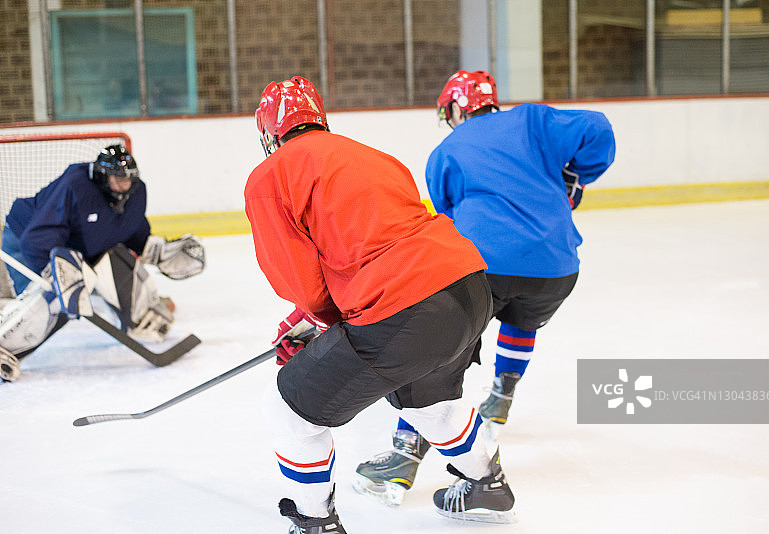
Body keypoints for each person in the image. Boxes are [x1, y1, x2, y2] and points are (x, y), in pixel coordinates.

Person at [246, 75, 516, 533]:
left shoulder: (271, 176)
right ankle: (485, 483)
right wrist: (313, 321)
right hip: (468, 286)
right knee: (427, 400)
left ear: (271, 132)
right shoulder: (373, 155)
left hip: (405, 307)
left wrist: (317, 321)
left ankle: (315, 524)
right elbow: (379, 245)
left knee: (288, 410)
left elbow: (302, 282)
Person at [354, 69, 616, 505]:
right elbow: (598, 128)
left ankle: (404, 456)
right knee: (523, 318)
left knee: (439, 353)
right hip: (557, 267)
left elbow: (449, 219)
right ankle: (500, 397)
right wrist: (578, 177)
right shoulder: (533, 122)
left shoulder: (446, 151)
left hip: (484, 268)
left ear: (457, 107)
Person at [0, 144, 206, 383]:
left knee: (110, 262)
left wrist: (155, 250)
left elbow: (130, 228)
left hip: (69, 246)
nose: (123, 185)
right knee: (49, 299)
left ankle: (139, 316)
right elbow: (40, 234)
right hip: (27, 240)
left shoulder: (136, 192)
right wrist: (55, 275)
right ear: (100, 176)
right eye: (116, 179)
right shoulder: (76, 185)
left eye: (127, 179)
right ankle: (6, 344)